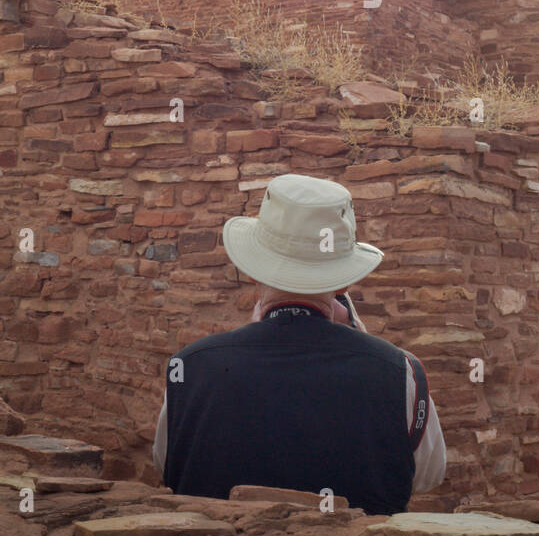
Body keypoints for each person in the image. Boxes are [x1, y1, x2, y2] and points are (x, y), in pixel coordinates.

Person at [152, 173, 446, 514]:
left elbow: (166, 464)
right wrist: (368, 348)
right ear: (343, 283)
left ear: (252, 270)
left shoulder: (189, 367)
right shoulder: (401, 373)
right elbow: (428, 475)